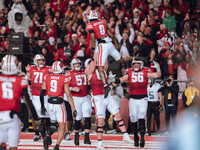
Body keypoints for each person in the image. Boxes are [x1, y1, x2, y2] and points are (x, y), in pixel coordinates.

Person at [85, 58, 134, 150]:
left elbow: (105, 62)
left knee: (118, 114)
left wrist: (105, 49)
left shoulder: (102, 69)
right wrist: (97, 54)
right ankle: (99, 143)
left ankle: (125, 135)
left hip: (107, 96)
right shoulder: (89, 72)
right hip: (98, 97)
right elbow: (94, 63)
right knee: (101, 121)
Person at [112, 57, 161, 147]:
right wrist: (113, 79)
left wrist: (158, 68)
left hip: (143, 98)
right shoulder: (129, 72)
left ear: (141, 64)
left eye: (137, 63)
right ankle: (135, 136)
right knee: (133, 117)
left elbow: (158, 75)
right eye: (134, 64)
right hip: (133, 99)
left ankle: (142, 138)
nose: (135, 65)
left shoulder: (146, 71)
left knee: (141, 116)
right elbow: (121, 80)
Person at [86, 10, 132, 98]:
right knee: (121, 59)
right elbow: (110, 33)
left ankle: (105, 86)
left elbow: (92, 37)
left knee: (100, 68)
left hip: (102, 45)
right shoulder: (102, 22)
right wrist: (115, 42)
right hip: (110, 43)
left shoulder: (90, 25)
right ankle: (133, 58)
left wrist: (92, 47)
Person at [0, 55, 39, 150]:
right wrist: (36, 118)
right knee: (13, 147)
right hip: (13, 118)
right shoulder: (21, 81)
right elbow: (27, 101)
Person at [40, 61, 77, 150]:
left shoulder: (47, 76)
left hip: (49, 103)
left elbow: (42, 93)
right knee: (61, 127)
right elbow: (68, 95)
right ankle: (57, 146)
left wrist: (42, 106)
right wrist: (73, 108)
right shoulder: (65, 78)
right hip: (59, 104)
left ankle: (48, 136)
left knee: (53, 125)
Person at [64, 58, 92, 146]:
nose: (77, 66)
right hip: (75, 98)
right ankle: (76, 136)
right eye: (75, 64)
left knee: (87, 116)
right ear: (72, 66)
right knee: (77, 118)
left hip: (85, 97)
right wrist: (72, 88)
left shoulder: (85, 72)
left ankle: (87, 137)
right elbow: (63, 87)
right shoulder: (69, 73)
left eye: (78, 64)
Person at [27, 54, 52, 141]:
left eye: (42, 60)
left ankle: (47, 133)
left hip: (45, 94)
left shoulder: (48, 69)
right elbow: (29, 79)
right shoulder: (31, 68)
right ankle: (37, 133)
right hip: (35, 95)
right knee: (37, 113)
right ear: (36, 61)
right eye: (39, 60)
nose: (41, 62)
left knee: (47, 113)